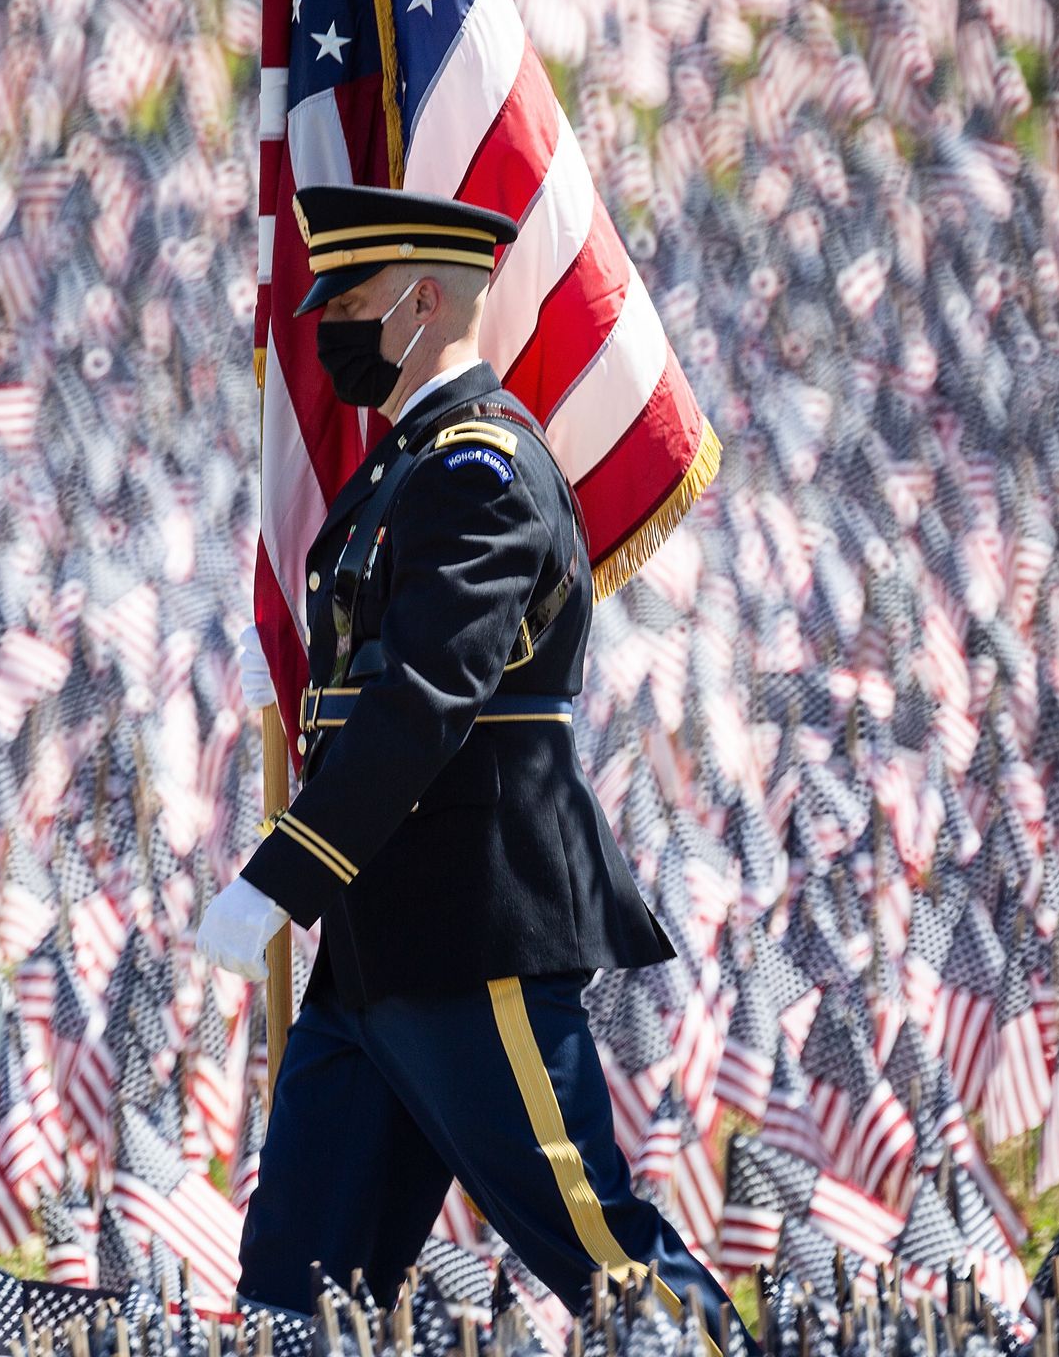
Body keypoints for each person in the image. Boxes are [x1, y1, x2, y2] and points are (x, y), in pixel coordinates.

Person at [196, 183, 749, 1352]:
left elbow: (425, 702)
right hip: (375, 949)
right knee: (297, 1288)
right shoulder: (410, 467)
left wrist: (279, 876)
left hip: (464, 934)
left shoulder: (481, 471)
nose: (329, 321)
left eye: (349, 296)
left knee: (600, 1253)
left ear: (424, 297)